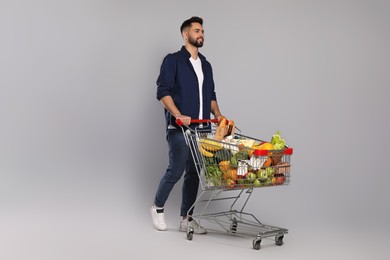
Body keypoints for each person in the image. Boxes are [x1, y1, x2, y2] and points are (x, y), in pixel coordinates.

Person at [150, 16, 223, 233]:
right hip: (181, 129)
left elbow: (211, 95)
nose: (201, 34)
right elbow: (162, 91)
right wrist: (178, 114)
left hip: (203, 129)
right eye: (197, 31)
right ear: (185, 34)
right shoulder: (173, 60)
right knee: (176, 170)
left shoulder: (206, 65)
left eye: (202, 31)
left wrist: (218, 115)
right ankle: (157, 207)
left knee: (194, 173)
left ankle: (186, 219)